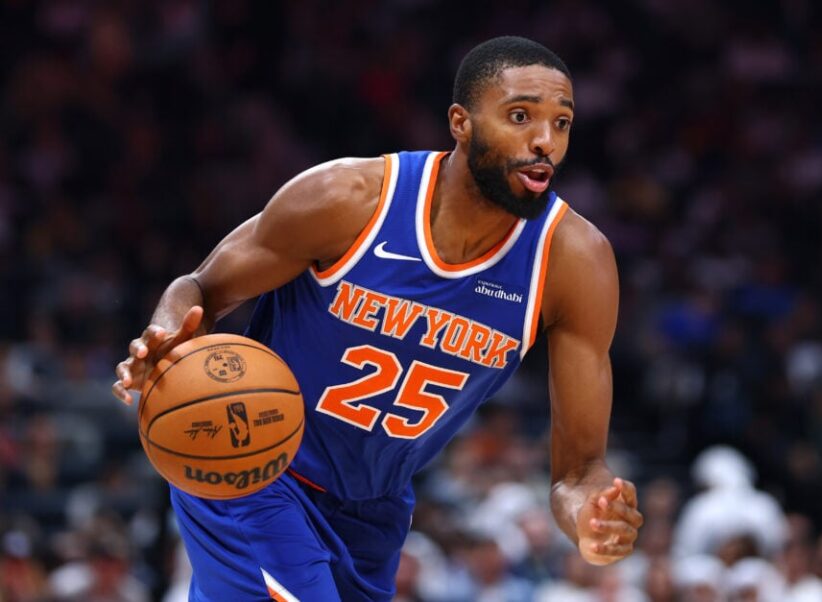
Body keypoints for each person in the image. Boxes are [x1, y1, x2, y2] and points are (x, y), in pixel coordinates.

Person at [112, 36, 643, 601]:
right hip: (250, 465)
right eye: (520, 116)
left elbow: (579, 470)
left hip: (375, 509)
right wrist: (166, 335)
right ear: (460, 122)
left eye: (562, 124)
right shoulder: (350, 199)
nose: (545, 142)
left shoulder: (574, 262)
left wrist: (592, 519)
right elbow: (199, 288)